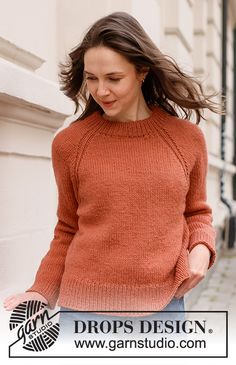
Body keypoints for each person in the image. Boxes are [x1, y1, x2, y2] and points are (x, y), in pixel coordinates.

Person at [3, 11, 224, 337]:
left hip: (163, 309)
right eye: (91, 78)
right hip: (82, 314)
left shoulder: (186, 140)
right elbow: (67, 227)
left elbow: (197, 213)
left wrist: (201, 250)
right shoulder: (71, 144)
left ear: (142, 72)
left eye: (113, 78)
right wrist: (41, 291)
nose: (100, 90)